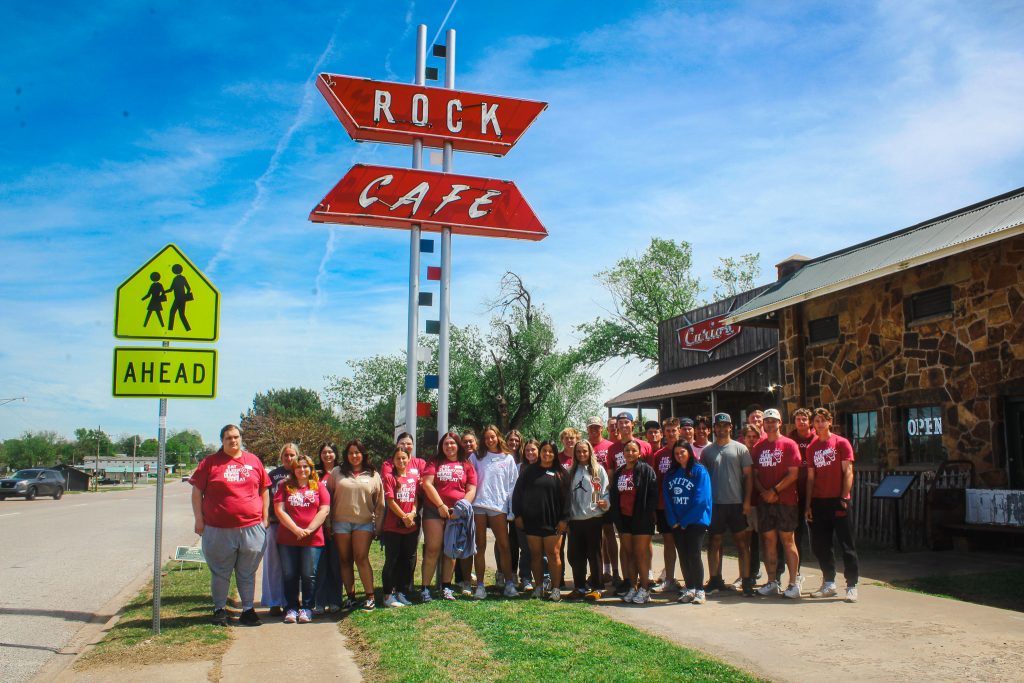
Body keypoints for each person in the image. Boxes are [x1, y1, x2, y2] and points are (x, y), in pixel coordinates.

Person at [190, 424, 271, 626]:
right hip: (218, 529)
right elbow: (196, 492)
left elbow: (264, 490)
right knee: (220, 572)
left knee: (247, 572)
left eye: (236, 437)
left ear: (240, 438)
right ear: (222, 441)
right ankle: (219, 610)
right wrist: (199, 519)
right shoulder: (210, 463)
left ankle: (248, 610)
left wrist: (265, 518)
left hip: (252, 527)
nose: (233, 441)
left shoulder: (253, 461)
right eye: (228, 438)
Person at [805, 408, 860, 603]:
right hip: (819, 501)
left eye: (823, 420)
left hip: (838, 499)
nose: (819, 424)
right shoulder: (811, 448)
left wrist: (844, 496)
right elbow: (811, 478)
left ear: (830, 422)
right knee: (822, 544)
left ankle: (852, 584)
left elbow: (848, 471)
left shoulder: (841, 443)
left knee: (846, 544)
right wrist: (808, 504)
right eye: (816, 421)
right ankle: (829, 582)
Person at [327, 440, 384, 611]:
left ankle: (370, 596)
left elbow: (380, 504)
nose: (354, 456)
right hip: (340, 523)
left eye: (357, 452)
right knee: (345, 560)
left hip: (364, 523)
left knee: (361, 558)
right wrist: (328, 523)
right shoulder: (337, 472)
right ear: (346, 455)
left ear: (363, 454)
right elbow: (327, 499)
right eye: (351, 453)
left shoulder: (373, 474)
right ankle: (350, 597)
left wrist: (378, 527)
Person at [702, 413, 755, 597]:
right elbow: (703, 479)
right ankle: (715, 579)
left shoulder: (741, 449)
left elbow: (748, 477)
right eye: (719, 426)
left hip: (736, 503)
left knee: (742, 543)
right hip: (716, 504)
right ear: (714, 428)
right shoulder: (707, 452)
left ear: (731, 427)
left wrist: (747, 501)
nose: (722, 429)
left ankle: (746, 580)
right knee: (714, 542)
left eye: (726, 425)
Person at [421, 432, 477, 601]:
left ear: (458, 445)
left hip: (456, 513)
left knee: (451, 551)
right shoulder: (434, 461)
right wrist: (440, 505)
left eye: (452, 443)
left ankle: (446, 587)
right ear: (441, 446)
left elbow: (471, 489)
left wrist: (459, 509)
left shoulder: (466, 464)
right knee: (432, 549)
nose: (449, 446)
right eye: (446, 443)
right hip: (434, 511)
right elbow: (427, 483)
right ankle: (425, 589)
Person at [752, 409, 802, 599]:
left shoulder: (789, 445)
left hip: (785, 501)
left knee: (788, 541)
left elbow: (793, 473)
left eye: (774, 421)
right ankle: (772, 581)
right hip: (765, 502)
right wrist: (764, 492)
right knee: (768, 541)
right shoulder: (758, 447)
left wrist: (774, 491)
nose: (770, 424)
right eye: (767, 421)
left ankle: (793, 583)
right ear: (763, 424)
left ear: (780, 422)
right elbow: (754, 474)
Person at [275, 454, 330, 623]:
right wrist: (296, 530)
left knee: (308, 575)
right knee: (290, 574)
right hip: (288, 538)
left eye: (306, 466)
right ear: (293, 469)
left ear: (311, 469)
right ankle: (291, 608)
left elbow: (324, 510)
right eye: (298, 467)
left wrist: (309, 529)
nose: (302, 469)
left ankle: (307, 608)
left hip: (312, 539)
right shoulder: (284, 486)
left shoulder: (319, 486)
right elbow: (279, 510)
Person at [512, 440, 568, 601]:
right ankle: (538, 587)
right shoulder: (529, 472)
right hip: (532, 522)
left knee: (553, 554)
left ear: (555, 454)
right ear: (540, 452)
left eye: (551, 451)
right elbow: (517, 494)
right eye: (544, 451)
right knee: (535, 555)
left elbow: (568, 499)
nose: (547, 454)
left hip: (554, 522)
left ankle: (555, 589)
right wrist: (518, 515)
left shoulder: (561, 473)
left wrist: (565, 519)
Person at [470, 425, 520, 599]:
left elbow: (513, 486)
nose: (490, 440)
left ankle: (509, 583)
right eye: (486, 438)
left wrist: (511, 510)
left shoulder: (507, 459)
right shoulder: (476, 457)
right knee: (480, 546)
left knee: (504, 546)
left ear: (498, 437)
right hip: (478, 505)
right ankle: (481, 586)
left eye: (492, 437)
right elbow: (469, 480)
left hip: (499, 506)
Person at [664, 441, 712, 605]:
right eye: (676, 453)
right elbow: (667, 498)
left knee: (694, 554)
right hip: (677, 522)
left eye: (682, 452)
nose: (679, 456)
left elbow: (702, 499)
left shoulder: (699, 471)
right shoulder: (671, 473)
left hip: (696, 521)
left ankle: (700, 590)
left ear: (689, 453)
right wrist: (673, 520)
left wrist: (685, 521)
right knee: (683, 555)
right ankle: (689, 587)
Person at [609, 440, 658, 604]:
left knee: (640, 555)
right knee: (629, 554)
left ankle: (645, 589)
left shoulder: (646, 470)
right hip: (624, 519)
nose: (630, 453)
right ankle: (632, 587)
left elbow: (652, 495)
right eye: (627, 450)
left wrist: (647, 514)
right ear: (623, 453)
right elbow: (615, 495)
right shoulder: (619, 472)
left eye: (633, 450)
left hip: (642, 519)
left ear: (639, 453)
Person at [566, 440, 609, 600]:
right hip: (575, 519)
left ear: (590, 452)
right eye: (578, 452)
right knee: (576, 555)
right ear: (575, 454)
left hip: (593, 518)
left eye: (585, 451)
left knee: (594, 553)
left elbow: (604, 492)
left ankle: (597, 587)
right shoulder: (571, 472)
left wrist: (606, 503)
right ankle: (580, 587)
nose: (582, 454)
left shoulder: (598, 470)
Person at [381, 447, 421, 608]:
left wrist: (412, 513)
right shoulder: (390, 478)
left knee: (406, 561)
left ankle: (401, 592)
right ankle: (387, 595)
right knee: (392, 561)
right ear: (393, 461)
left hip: (410, 526)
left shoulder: (413, 477)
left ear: (409, 459)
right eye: (398, 458)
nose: (401, 461)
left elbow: (416, 498)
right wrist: (404, 517)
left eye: (404, 458)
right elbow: (390, 502)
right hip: (393, 527)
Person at [262, 443, 297, 615]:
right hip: (275, 525)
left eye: (292, 455)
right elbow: (265, 498)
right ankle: (274, 601)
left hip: (296, 527)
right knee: (273, 565)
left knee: (293, 566)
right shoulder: (273, 475)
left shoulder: (302, 473)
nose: (289, 458)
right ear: (281, 457)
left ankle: (291, 601)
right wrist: (266, 518)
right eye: (286, 455)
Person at [585, 416, 618, 586]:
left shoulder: (609, 446)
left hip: (606, 495)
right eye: (591, 427)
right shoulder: (585, 447)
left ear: (601, 428)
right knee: (595, 535)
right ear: (587, 429)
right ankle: (599, 571)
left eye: (597, 427)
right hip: (589, 498)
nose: (594, 430)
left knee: (609, 533)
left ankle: (615, 571)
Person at [650, 417, 681, 593]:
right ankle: (669, 578)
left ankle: (690, 580)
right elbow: (655, 483)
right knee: (668, 542)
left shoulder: (685, 452)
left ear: (679, 431)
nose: (671, 433)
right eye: (667, 430)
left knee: (684, 544)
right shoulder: (658, 455)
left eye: (673, 430)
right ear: (663, 433)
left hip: (682, 506)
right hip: (663, 506)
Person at [312, 443, 342, 614]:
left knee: (335, 564)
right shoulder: (314, 473)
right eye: (324, 452)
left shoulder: (341, 472)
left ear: (336, 454)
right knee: (320, 565)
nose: (327, 455)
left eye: (330, 452)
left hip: (338, 525)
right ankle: (319, 601)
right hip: (318, 526)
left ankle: (335, 600)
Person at [513, 439, 541, 591]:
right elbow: (515, 493)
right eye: (527, 450)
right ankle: (525, 578)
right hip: (524, 514)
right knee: (525, 549)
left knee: (541, 550)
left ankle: (543, 579)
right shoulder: (519, 467)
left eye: (533, 450)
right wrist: (517, 514)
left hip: (542, 515)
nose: (530, 453)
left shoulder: (545, 467)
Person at [740, 424, 764, 586]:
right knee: (746, 541)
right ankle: (747, 574)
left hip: (761, 501)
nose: (751, 439)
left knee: (761, 540)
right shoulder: (740, 453)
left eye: (754, 436)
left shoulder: (762, 452)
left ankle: (758, 572)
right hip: (747, 502)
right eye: (749, 436)